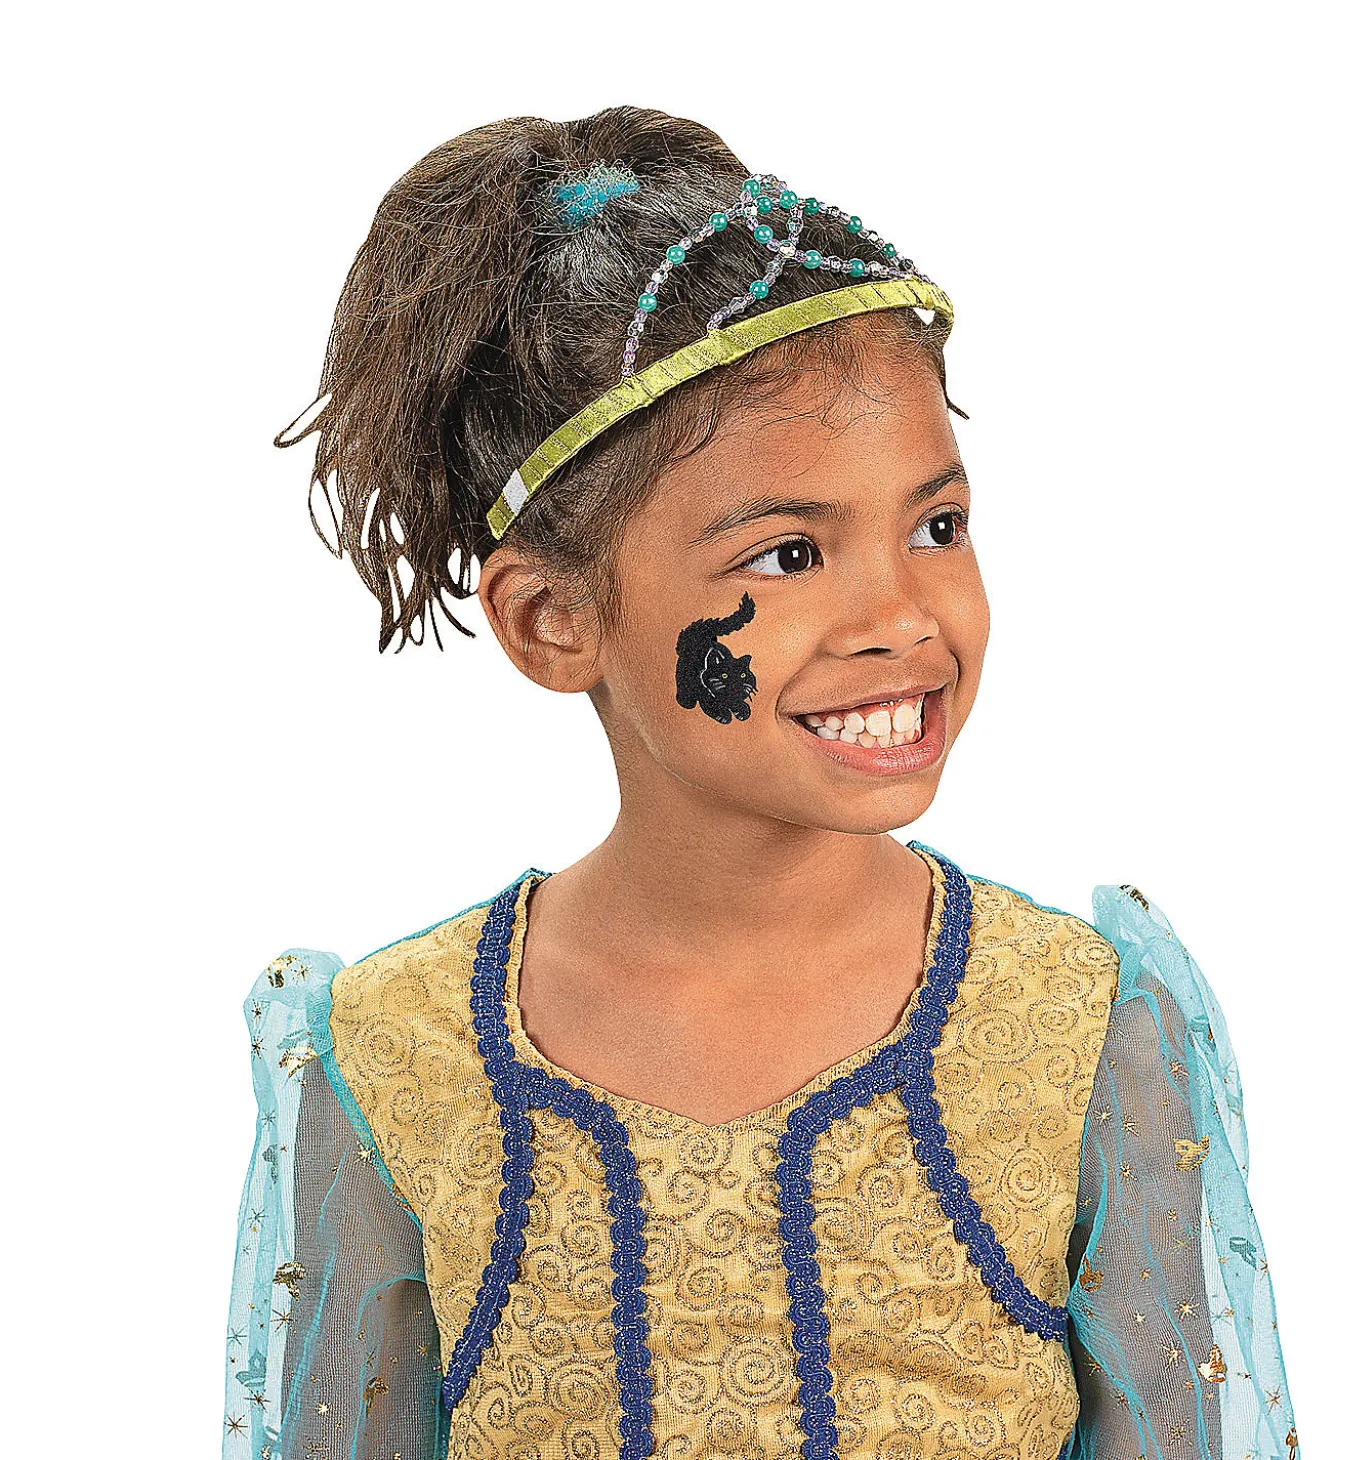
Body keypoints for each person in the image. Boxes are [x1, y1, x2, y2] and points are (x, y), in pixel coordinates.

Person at [219, 106, 1300, 1460]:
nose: (900, 615)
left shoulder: (1084, 1024)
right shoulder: (393, 1054)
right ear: (553, 620)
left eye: (939, 525)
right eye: (790, 555)